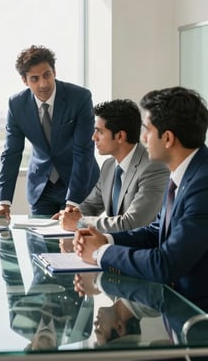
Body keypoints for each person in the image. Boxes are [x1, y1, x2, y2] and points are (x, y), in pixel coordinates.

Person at [74, 86, 208, 312]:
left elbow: (166, 264)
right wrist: (106, 240)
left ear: (167, 138)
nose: (142, 138)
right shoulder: (182, 174)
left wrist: (100, 253)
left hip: (196, 318)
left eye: (147, 129)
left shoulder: (202, 184)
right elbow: (154, 232)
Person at [0, 45, 99, 219]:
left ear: (54, 72)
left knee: (74, 244)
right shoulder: (17, 104)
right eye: (35, 79)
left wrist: (72, 203)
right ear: (25, 80)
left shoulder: (79, 97)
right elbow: (11, 154)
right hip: (41, 188)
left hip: (78, 185)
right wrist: (4, 202)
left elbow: (83, 151)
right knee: (38, 242)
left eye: (47, 75)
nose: (43, 84)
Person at [56, 99, 169, 232]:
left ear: (120, 136)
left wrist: (81, 223)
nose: (93, 137)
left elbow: (133, 223)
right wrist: (70, 215)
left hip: (141, 249)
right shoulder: (109, 166)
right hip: (113, 244)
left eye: (100, 132)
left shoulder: (153, 168)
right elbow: (91, 205)